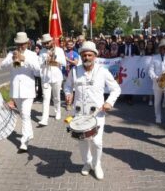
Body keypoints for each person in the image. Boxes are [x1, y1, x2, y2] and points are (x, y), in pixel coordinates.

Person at [64, 41, 121, 180]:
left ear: (95, 56)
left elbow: (116, 89)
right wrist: (68, 94)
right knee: (82, 141)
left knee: (96, 142)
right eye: (84, 55)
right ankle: (87, 163)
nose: (87, 58)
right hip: (79, 114)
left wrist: (109, 102)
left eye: (90, 55)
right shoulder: (74, 71)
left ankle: (97, 164)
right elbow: (67, 86)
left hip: (97, 114)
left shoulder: (103, 71)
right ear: (81, 56)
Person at [1, 32, 40, 151]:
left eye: (23, 44)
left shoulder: (32, 55)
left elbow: (38, 72)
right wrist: (12, 59)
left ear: (27, 43)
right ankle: (29, 133)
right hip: (16, 91)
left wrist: (25, 60)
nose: (20, 46)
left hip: (28, 90)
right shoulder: (11, 54)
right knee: (24, 114)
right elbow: (3, 66)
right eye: (18, 44)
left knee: (25, 114)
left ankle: (24, 141)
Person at [38, 33, 66, 126]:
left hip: (57, 77)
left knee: (56, 97)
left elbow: (64, 63)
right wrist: (45, 60)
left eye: (48, 42)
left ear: (52, 41)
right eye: (44, 43)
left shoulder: (59, 50)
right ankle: (44, 119)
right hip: (46, 78)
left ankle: (58, 111)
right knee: (45, 98)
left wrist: (55, 58)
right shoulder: (42, 52)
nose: (46, 44)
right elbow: (39, 64)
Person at [148, 39, 165, 125]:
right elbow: (150, 70)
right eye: (163, 48)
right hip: (157, 83)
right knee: (157, 102)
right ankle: (158, 118)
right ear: (160, 48)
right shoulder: (154, 57)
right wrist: (156, 78)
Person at [118, 35, 139, 105]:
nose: (128, 41)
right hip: (124, 67)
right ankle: (126, 95)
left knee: (131, 81)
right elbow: (118, 55)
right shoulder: (121, 47)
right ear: (125, 40)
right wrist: (120, 55)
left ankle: (130, 98)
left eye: (129, 39)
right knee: (124, 81)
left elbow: (138, 56)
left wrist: (135, 55)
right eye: (126, 39)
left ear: (131, 40)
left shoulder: (134, 47)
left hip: (132, 67)